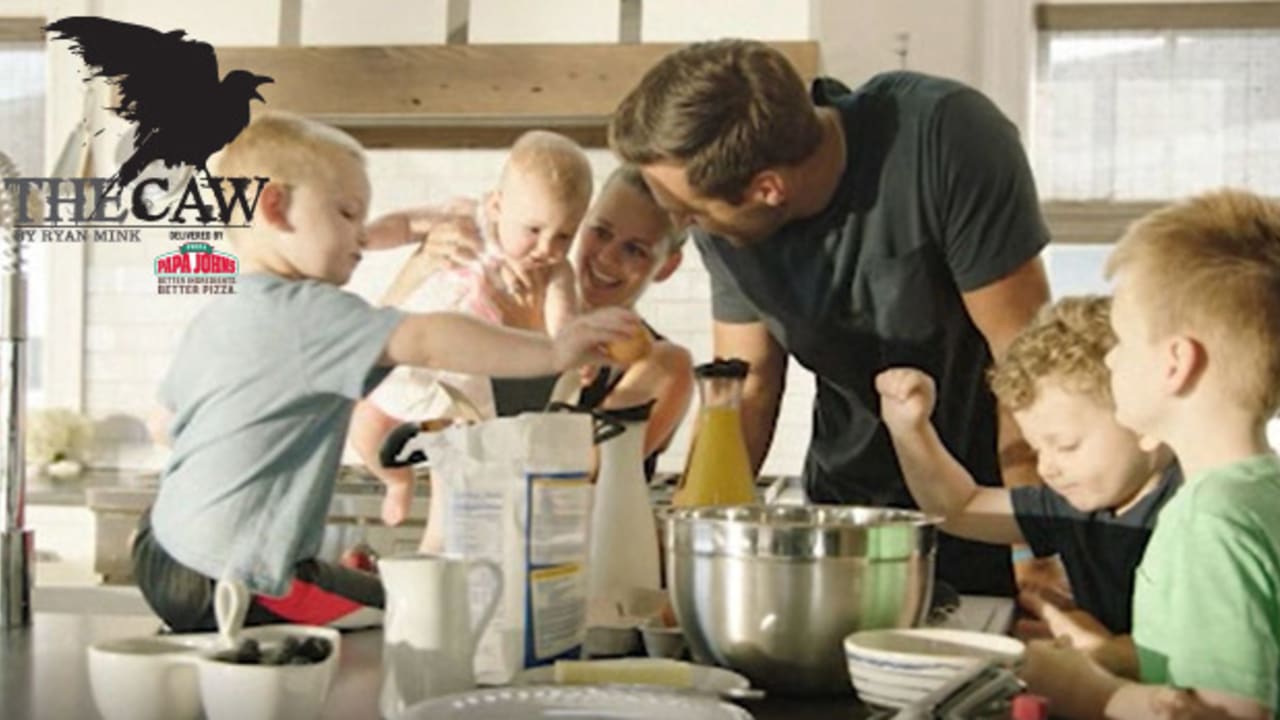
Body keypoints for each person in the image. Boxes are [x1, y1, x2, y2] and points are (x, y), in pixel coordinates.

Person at [132, 112, 639, 632]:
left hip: (161, 549)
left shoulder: (218, 316)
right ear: (275, 206)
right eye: (347, 213)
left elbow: (162, 424)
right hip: (240, 577)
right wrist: (555, 354)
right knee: (418, 609)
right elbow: (426, 338)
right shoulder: (314, 313)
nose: (360, 235)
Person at [609, 39, 1052, 596]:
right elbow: (742, 395)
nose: (683, 224)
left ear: (767, 188)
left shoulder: (946, 138)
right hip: (850, 523)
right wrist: (678, 562)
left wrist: (1037, 548)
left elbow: (1027, 363)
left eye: (691, 212)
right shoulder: (729, 227)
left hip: (991, 512)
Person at [1020, 189, 1280, 719]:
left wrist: (1084, 689)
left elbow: (1228, 716)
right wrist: (1109, 657)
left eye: (1121, 338)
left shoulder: (1209, 523)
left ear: (1175, 364)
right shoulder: (1258, 493)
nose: (1111, 357)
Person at [351, 164, 695, 548]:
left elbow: (570, 474)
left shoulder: (662, 363)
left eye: (635, 249)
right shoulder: (487, 310)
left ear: (667, 265)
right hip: (452, 555)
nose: (606, 259)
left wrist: (535, 344)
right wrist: (418, 274)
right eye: (601, 232)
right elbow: (363, 377)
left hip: (568, 581)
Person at [875, 296, 1179, 651]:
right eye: (1037, 450)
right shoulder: (1072, 504)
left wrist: (1103, 649)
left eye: (1065, 445)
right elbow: (960, 508)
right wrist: (910, 431)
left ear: (1144, 421)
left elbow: (1206, 658)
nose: (1046, 468)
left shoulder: (1195, 515)